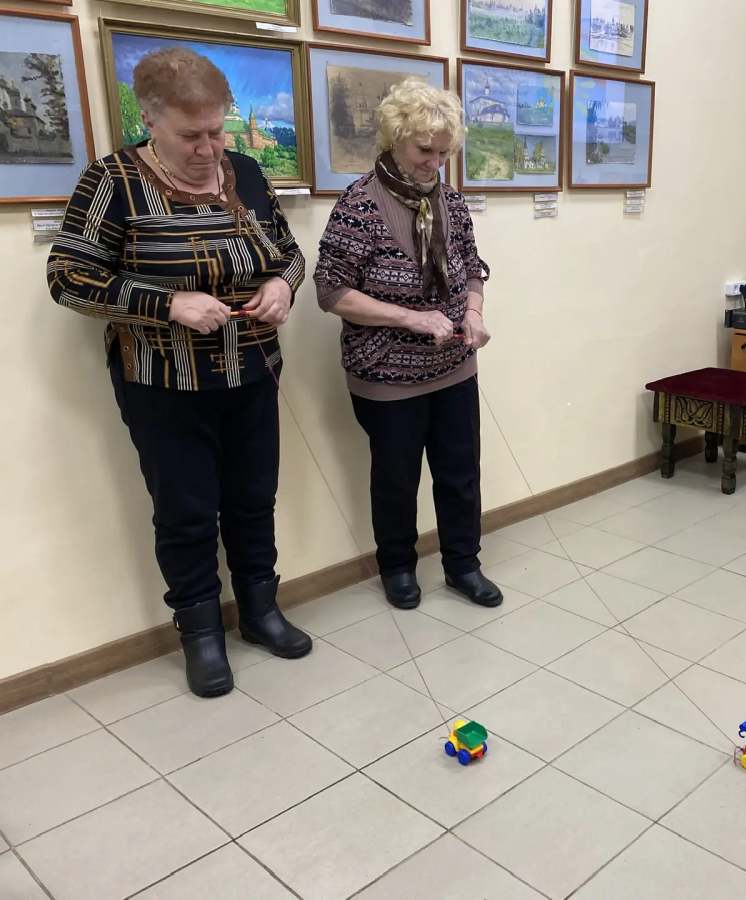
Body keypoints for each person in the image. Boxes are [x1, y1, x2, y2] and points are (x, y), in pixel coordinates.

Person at [46, 49, 311, 698]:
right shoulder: (112, 180)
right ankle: (201, 634)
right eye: (191, 136)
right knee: (186, 511)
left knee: (253, 500)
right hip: (163, 382)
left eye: (217, 131)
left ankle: (260, 612)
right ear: (150, 121)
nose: (209, 149)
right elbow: (68, 277)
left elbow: (289, 252)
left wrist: (283, 284)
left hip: (252, 372)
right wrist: (167, 304)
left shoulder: (246, 171)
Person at [313, 81, 501, 611]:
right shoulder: (358, 204)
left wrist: (473, 313)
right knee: (396, 479)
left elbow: (473, 270)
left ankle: (463, 565)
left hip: (454, 365)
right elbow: (331, 292)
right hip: (385, 375)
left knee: (460, 475)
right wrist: (410, 319)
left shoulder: (452, 203)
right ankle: (397, 567)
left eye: (443, 153)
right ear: (394, 137)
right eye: (424, 150)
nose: (434, 163)